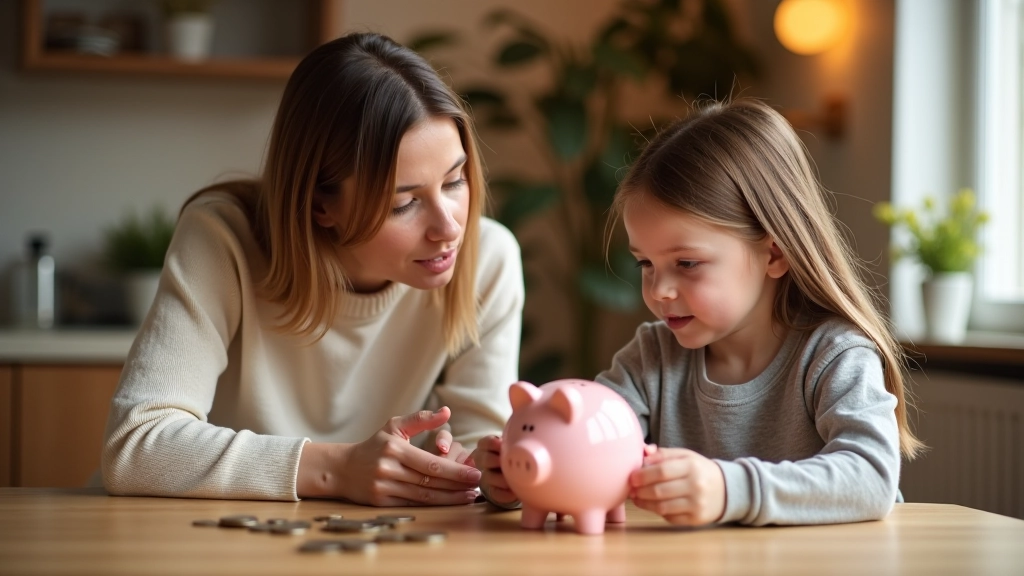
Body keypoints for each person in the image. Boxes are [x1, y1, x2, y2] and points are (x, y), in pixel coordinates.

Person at [102, 32, 524, 506]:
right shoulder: (224, 238)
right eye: (403, 205)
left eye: (454, 181)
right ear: (322, 205)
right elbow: (136, 446)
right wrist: (337, 470)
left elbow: (480, 444)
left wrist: (489, 469)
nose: (448, 227)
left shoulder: (488, 257)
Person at [474, 99, 922, 525]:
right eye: (645, 264)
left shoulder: (833, 355)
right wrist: (516, 474)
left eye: (686, 264)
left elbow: (871, 478)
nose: (659, 290)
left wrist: (729, 489)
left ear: (774, 253)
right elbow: (587, 449)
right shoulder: (652, 357)